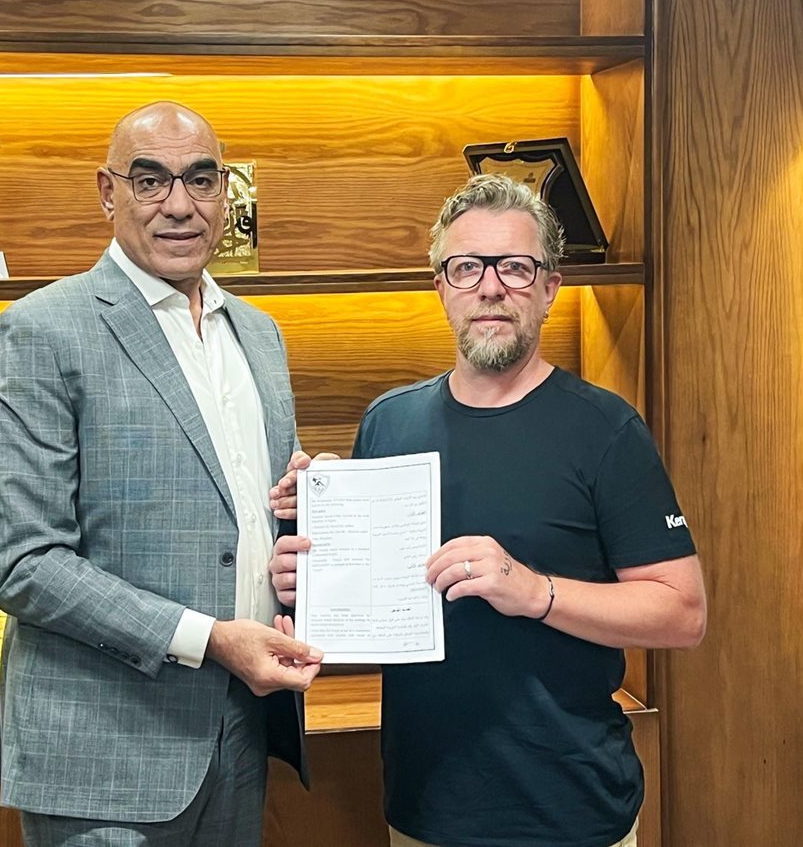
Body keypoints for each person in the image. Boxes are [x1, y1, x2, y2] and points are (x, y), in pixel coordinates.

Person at [269, 174, 706, 847]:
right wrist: (310, 574)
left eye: (516, 267)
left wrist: (534, 591)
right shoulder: (388, 423)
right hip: (425, 807)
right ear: (441, 287)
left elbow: (683, 613)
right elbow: (373, 603)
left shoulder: (607, 430)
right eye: (467, 267)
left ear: (550, 287)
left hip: (572, 810)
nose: (491, 287)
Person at [0, 101, 322, 847]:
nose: (179, 205)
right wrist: (209, 637)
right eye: (150, 180)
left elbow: (251, 518)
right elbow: (24, 564)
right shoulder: (39, 331)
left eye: (201, 179)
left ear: (225, 191)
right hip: (103, 755)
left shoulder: (259, 335)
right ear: (109, 192)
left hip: (239, 731)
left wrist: (302, 524)